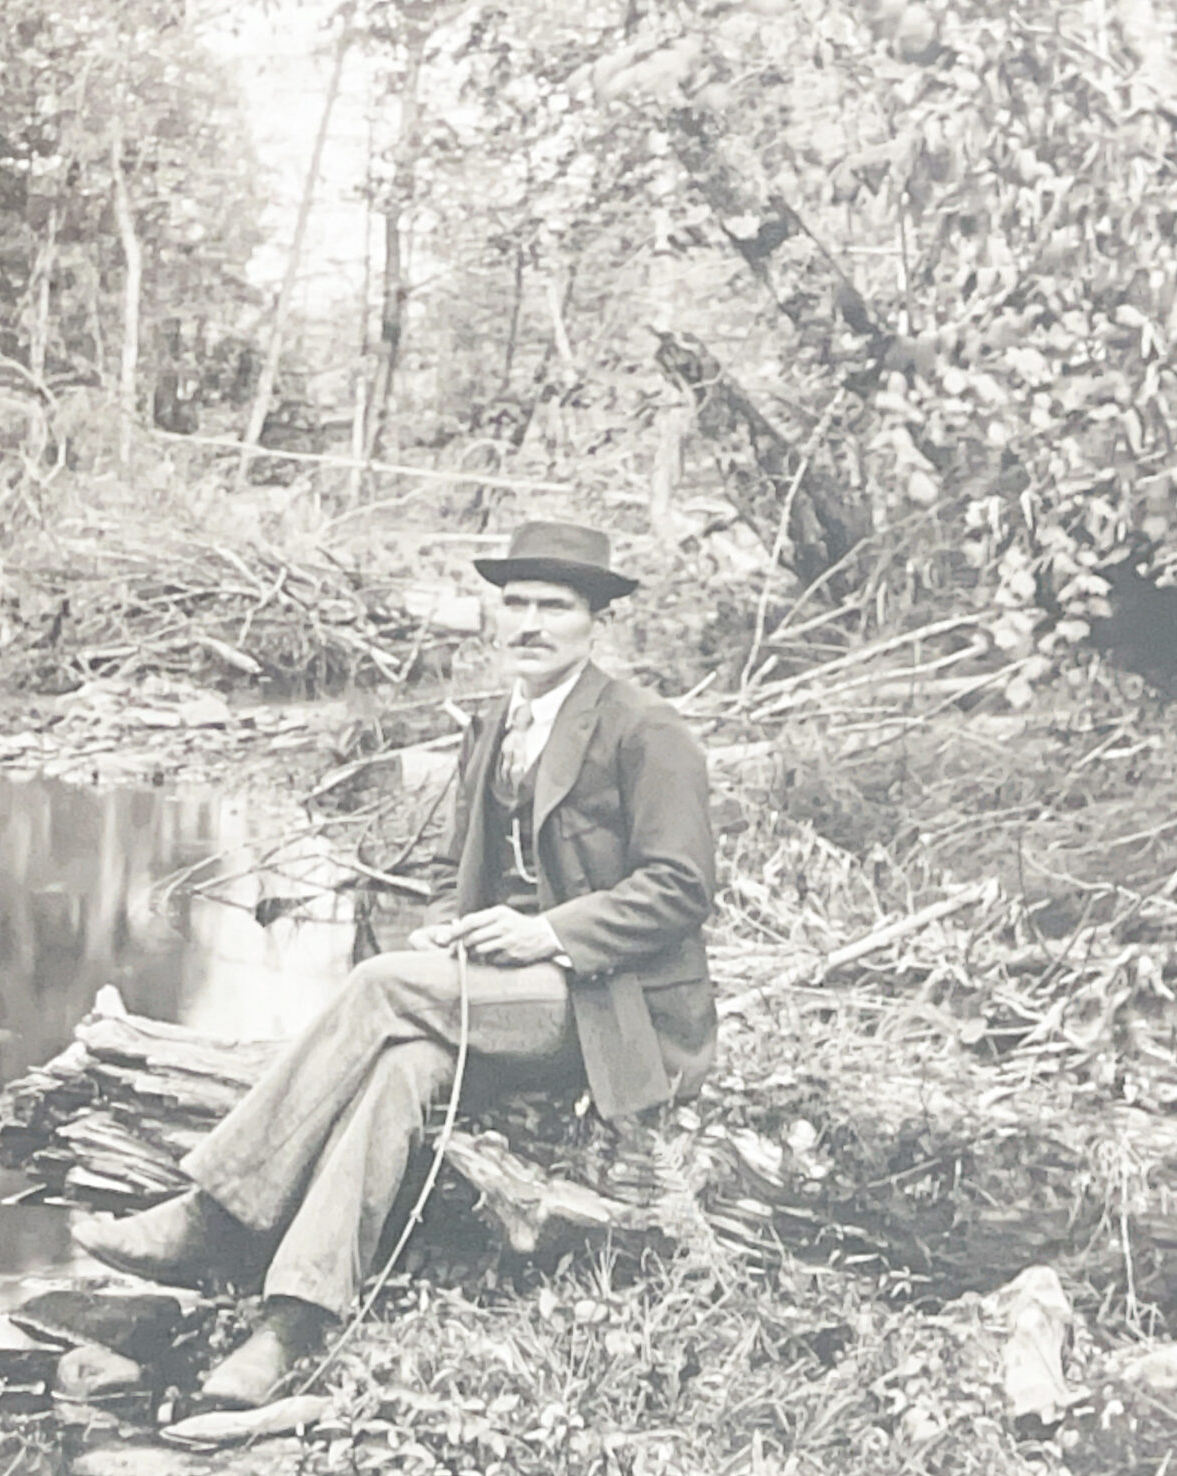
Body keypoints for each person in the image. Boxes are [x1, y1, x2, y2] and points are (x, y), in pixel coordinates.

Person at [72, 519, 720, 1406]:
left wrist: (549, 933)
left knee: (377, 988)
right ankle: (294, 1321)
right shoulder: (496, 727)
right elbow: (472, 876)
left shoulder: (646, 730)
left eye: (554, 607)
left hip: (612, 1005)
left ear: (596, 621)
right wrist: (450, 930)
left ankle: (213, 1213)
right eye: (515, 604)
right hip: (508, 992)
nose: (528, 624)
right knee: (401, 1072)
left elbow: (681, 889)